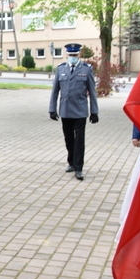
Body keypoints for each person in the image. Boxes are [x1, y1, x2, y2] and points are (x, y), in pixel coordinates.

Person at [49, 43, 99, 181]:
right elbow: (55, 91)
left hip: (80, 111)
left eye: (74, 55)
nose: (72, 57)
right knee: (69, 138)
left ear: (79, 55)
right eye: (70, 55)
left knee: (79, 140)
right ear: (67, 55)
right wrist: (52, 109)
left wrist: (94, 111)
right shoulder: (61, 69)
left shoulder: (86, 69)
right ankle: (71, 162)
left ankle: (79, 167)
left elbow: (92, 92)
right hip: (65, 110)